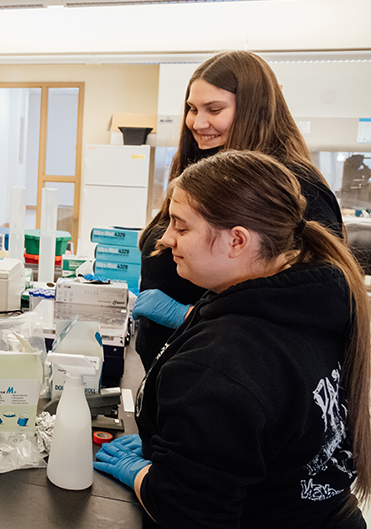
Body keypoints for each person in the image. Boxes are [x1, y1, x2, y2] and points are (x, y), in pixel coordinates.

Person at [94, 150, 370, 529]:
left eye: (181, 226)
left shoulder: (221, 365)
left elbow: (192, 517)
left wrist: (148, 478)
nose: (166, 239)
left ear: (237, 241)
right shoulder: (317, 299)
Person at [133, 50, 343, 371]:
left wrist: (191, 317)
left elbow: (310, 308)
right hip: (176, 366)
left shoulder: (293, 185)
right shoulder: (206, 165)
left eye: (214, 109)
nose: (197, 123)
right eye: (192, 109)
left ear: (253, 110)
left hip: (225, 372)